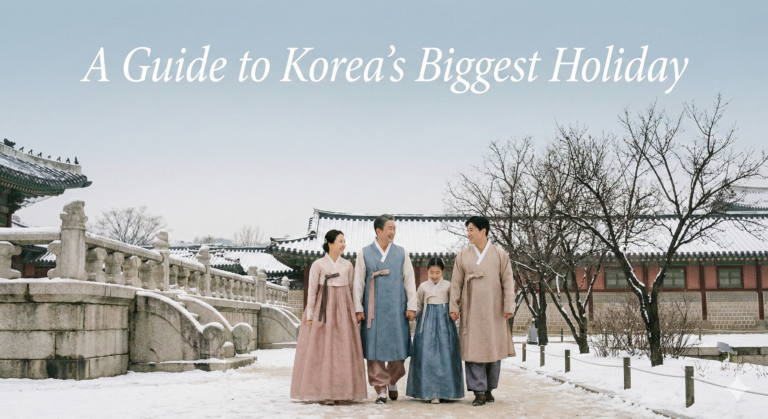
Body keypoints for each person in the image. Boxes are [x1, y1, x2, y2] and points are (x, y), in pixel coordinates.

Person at [291, 229, 367, 404]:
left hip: (343, 310)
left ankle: (342, 392)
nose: (343, 244)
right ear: (330, 244)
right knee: (322, 351)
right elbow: (312, 291)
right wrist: (310, 315)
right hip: (323, 310)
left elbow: (352, 291)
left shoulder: (347, 265)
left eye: (344, 241)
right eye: (340, 241)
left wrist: (355, 310)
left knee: (342, 351)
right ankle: (324, 393)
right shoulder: (318, 265)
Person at [449, 216, 516, 406]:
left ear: (483, 231)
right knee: (473, 349)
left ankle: (489, 389)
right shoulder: (462, 255)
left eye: (471, 230)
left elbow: (508, 282)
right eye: (468, 230)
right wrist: (454, 307)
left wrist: (508, 306)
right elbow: (456, 283)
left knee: (493, 348)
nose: (468, 233)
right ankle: (478, 391)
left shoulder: (500, 254)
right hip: (471, 308)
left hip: (494, 308)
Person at [353, 214, 417, 404]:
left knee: (398, 347)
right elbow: (358, 283)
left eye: (394, 228)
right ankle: (381, 389)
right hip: (373, 309)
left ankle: (392, 380)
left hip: (397, 307)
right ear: (378, 231)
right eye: (389, 228)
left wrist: (411, 306)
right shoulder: (364, 253)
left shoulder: (401, 252)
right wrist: (358, 307)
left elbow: (409, 280)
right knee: (374, 350)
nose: (393, 232)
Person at [406, 257, 464, 403]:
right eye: (432, 272)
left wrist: (455, 312)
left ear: (443, 271)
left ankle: (446, 391)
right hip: (426, 324)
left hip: (445, 324)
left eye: (438, 272)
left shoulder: (449, 286)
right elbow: (418, 304)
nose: (434, 275)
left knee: (445, 356)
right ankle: (428, 391)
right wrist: (413, 313)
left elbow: (454, 303)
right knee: (428, 357)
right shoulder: (423, 287)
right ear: (428, 271)